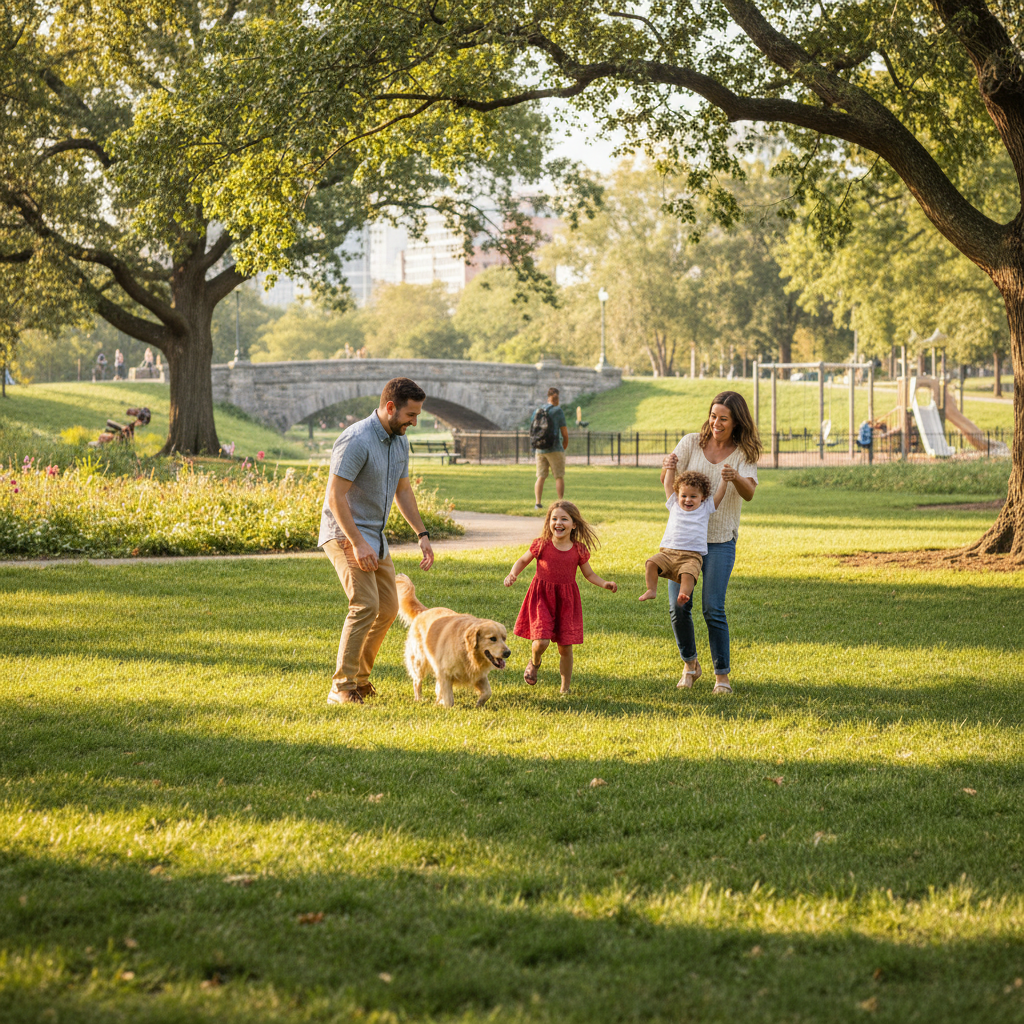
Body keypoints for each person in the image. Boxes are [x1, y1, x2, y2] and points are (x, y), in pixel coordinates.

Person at [319, 377, 436, 705]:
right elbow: (335, 496)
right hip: (346, 532)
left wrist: (422, 534)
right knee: (365, 605)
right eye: (411, 415)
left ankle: (360, 680)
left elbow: (403, 490)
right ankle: (341, 688)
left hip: (375, 536)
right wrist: (357, 542)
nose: (414, 422)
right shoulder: (356, 439)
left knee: (387, 607)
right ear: (389, 407)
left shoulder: (399, 441)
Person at [661, 391, 761, 695]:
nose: (716, 422)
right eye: (713, 415)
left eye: (723, 418)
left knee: (712, 607)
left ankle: (722, 677)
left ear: (736, 422)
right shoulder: (691, 442)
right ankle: (690, 665)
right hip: (682, 544)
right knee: (678, 608)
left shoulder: (743, 453)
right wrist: (666, 465)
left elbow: (750, 492)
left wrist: (735, 477)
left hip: (719, 540)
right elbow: (670, 484)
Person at [504, 501, 617, 695]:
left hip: (566, 601)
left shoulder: (578, 550)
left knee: (565, 647)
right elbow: (523, 560)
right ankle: (535, 661)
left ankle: (565, 689)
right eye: (554, 518)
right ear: (549, 522)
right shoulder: (541, 545)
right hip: (541, 598)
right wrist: (513, 574)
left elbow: (589, 574)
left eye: (564, 519)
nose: (558, 522)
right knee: (541, 641)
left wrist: (604, 583)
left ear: (574, 525)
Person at [639, 469, 728, 607]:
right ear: (678, 495)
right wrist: (671, 468)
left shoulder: (706, 507)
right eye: (684, 495)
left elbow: (719, 495)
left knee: (689, 573)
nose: (688, 499)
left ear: (702, 497)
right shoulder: (674, 504)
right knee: (651, 563)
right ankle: (651, 589)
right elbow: (667, 484)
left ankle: (683, 594)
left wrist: (725, 480)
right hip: (668, 553)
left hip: (691, 556)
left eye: (693, 496)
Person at [532, 386, 568, 509]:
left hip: (540, 448)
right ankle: (560, 503)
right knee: (558, 476)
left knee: (540, 476)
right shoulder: (558, 411)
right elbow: (564, 433)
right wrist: (563, 447)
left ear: (548, 397)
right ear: (556, 398)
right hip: (554, 448)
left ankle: (537, 503)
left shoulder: (538, 410)